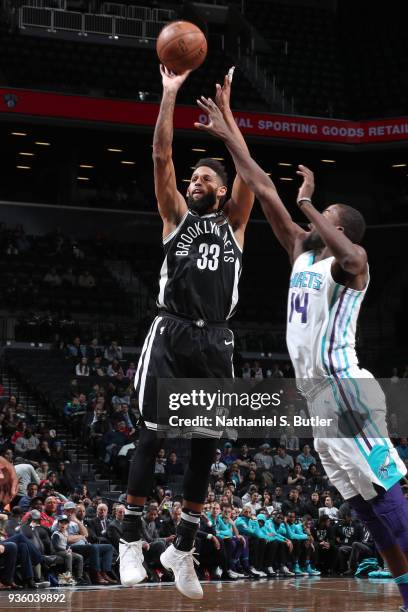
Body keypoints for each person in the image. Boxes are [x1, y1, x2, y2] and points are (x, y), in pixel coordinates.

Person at [197, 96, 408, 611]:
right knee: (364, 508)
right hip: (315, 398)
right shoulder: (301, 250)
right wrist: (230, 135)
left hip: (345, 388)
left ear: (338, 228)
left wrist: (312, 204)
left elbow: (352, 251)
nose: (311, 220)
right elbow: (264, 186)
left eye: (325, 218)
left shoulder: (350, 265)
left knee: (387, 488)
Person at [119, 66, 254, 602]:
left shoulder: (236, 224)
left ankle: (183, 547)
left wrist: (229, 125)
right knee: (151, 435)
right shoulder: (175, 215)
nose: (194, 184)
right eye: (192, 178)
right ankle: (130, 539)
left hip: (216, 340)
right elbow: (160, 159)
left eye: (204, 180)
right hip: (170, 331)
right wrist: (169, 95)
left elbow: (249, 171)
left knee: (204, 448)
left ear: (221, 193)